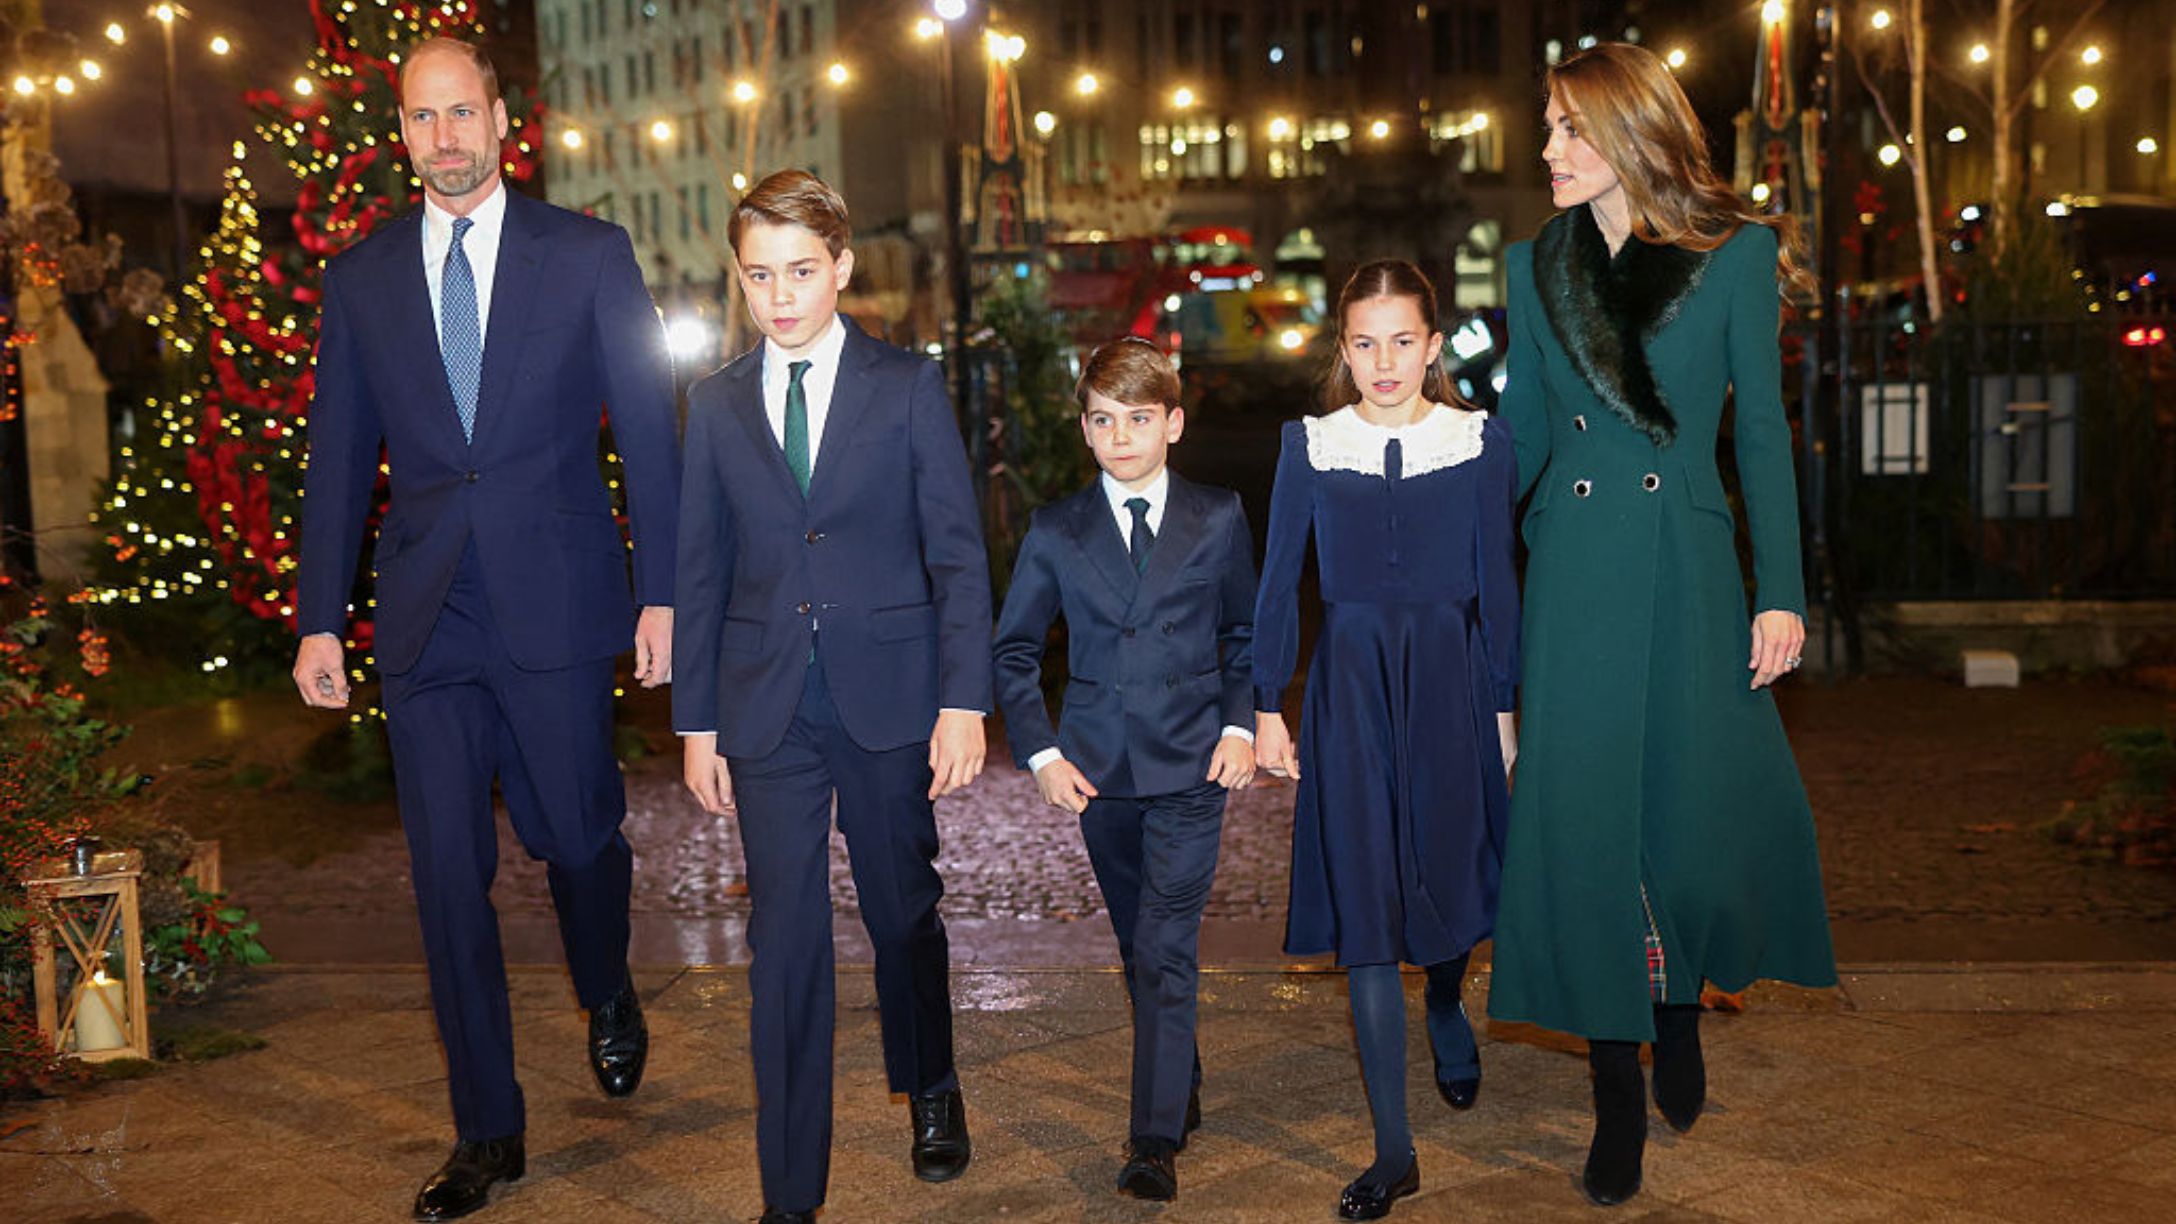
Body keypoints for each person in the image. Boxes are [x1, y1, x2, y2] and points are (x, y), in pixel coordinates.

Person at [291, 37, 678, 1223]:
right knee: (446, 880)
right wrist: (318, 620)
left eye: (464, 113)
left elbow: (652, 435)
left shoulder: (587, 255)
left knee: (575, 837)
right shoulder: (361, 283)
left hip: (555, 605)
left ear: (502, 118)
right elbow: (340, 459)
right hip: (426, 619)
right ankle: (486, 1131)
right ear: (400, 131)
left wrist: (663, 591)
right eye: (423, 117)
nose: (445, 138)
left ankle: (606, 984)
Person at [1485, 41, 1838, 1208]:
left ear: (1627, 132)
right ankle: (1613, 1095)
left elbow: (1761, 437)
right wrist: (1463, 539)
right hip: (1576, 572)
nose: (1545, 150)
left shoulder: (1736, 256)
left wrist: (1779, 587)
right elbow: (1524, 434)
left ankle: (1677, 1009)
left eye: (1566, 130)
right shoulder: (1534, 262)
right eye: (1545, 127)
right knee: (1583, 825)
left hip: (1689, 566)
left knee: (1686, 812)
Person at [672, 170, 992, 1224]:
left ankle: (930, 1084)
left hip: (891, 697)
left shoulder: (904, 387)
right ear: (741, 278)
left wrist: (963, 698)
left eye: (801, 272)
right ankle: (789, 1192)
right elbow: (702, 568)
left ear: (842, 268)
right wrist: (697, 722)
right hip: (766, 711)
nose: (781, 295)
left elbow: (956, 552)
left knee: (903, 912)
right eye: (760, 275)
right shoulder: (714, 403)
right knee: (784, 945)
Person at [1252, 260, 1520, 1221]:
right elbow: (1279, 579)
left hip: (1451, 688)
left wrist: (1504, 708)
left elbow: (1499, 584)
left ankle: (1446, 1001)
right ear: (1343, 350)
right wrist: (1264, 704)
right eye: (1364, 342)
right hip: (1351, 691)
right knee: (1366, 899)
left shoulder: (1480, 443)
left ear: (1435, 345)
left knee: (1450, 876)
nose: (1384, 360)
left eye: (1403, 340)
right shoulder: (1312, 446)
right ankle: (1393, 1150)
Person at [990, 338, 1258, 1203]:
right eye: (1104, 420)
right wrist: (1040, 753)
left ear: (1173, 424)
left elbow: (1244, 635)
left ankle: (1152, 1139)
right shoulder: (1057, 530)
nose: (1121, 437)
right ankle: (1178, 1075)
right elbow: (1016, 651)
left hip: (1192, 770)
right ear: (1085, 428)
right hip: (1099, 773)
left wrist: (1240, 726)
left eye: (1139, 419)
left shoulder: (1217, 516)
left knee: (1166, 948)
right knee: (1136, 945)